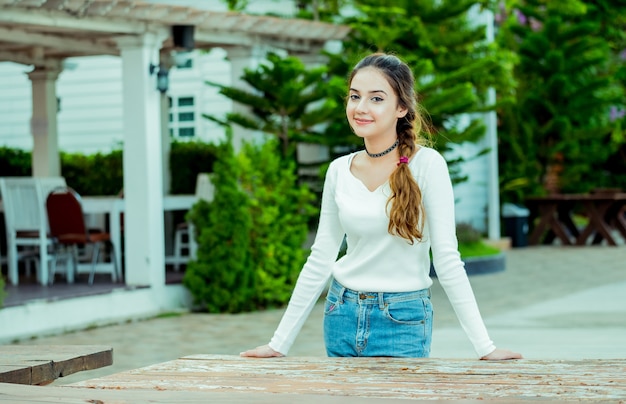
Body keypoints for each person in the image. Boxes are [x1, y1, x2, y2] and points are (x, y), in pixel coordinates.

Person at [241, 53, 522, 360]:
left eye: (376, 98)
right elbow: (321, 256)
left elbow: (447, 259)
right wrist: (278, 343)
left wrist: (485, 348)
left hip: (402, 318)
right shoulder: (338, 170)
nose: (361, 108)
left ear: (401, 107)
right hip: (341, 313)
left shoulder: (427, 166)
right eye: (354, 96)